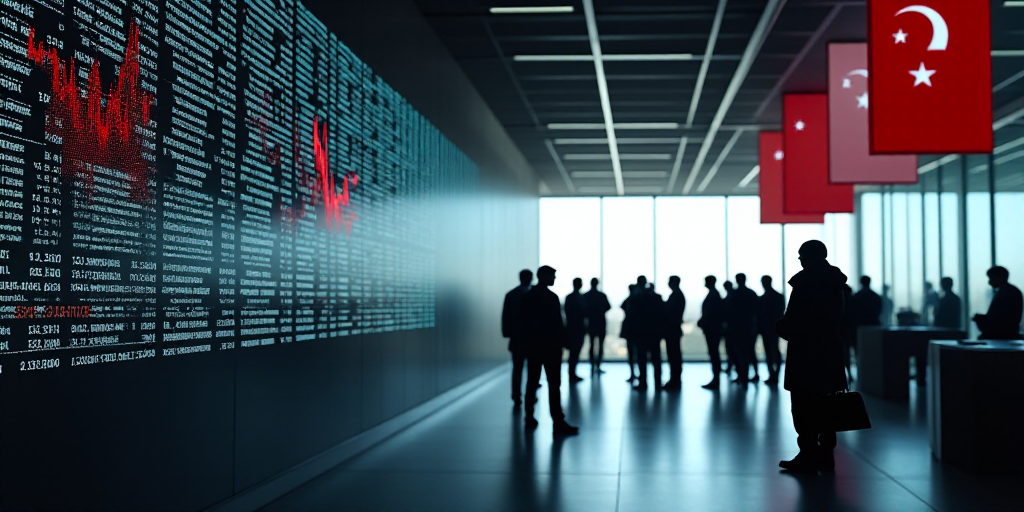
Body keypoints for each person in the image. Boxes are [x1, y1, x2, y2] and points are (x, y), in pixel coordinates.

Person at [776, 240, 848, 472]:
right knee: (827, 403)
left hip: (806, 353)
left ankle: (808, 454)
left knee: (803, 405)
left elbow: (795, 321)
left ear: (808, 256)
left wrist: (781, 327)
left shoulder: (805, 282)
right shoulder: (836, 282)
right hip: (830, 351)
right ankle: (826, 453)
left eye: (800, 255)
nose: (799, 259)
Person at [521, 266, 579, 435]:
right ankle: (558, 421)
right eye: (552, 276)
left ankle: (529, 416)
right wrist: (564, 341)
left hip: (534, 347)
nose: (554, 279)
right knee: (554, 384)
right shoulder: (551, 297)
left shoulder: (529, 297)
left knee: (532, 382)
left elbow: (524, 323)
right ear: (544, 277)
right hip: (551, 347)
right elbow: (557, 323)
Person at [502, 269, 532, 407]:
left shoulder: (510, 295)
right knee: (532, 369)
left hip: (516, 337)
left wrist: (507, 333)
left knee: (517, 368)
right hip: (531, 338)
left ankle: (516, 395)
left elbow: (505, 316)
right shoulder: (532, 294)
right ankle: (529, 396)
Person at [630, 277, 664, 391]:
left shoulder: (637, 298)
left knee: (642, 358)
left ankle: (643, 382)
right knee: (656, 358)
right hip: (654, 333)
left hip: (641, 333)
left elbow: (632, 315)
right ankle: (658, 382)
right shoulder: (657, 298)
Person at [972, 266, 1024, 340]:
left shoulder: (1006, 293)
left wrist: (983, 321)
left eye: (991, 278)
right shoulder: (1010, 291)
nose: (989, 282)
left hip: (1002, 337)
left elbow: (1001, 319)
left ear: (1000, 278)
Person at [730, 274, 760, 384]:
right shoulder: (751, 294)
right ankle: (752, 374)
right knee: (750, 352)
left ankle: (742, 375)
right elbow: (757, 311)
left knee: (739, 352)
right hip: (749, 327)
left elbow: (729, 311)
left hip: (737, 328)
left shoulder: (735, 294)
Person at [698, 276, 725, 389]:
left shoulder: (713, 296)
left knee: (713, 353)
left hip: (712, 329)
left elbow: (710, 312)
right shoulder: (715, 295)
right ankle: (716, 378)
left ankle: (716, 379)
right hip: (713, 328)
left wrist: (703, 321)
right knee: (714, 353)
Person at [758, 275, 785, 386]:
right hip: (775, 327)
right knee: (775, 350)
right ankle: (776, 374)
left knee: (769, 351)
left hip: (765, 328)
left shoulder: (762, 299)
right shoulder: (779, 296)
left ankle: (772, 374)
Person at [662, 276, 686, 390]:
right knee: (675, 354)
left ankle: (674, 379)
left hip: (672, 330)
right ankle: (675, 378)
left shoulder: (675, 296)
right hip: (674, 329)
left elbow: (668, 312)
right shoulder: (678, 295)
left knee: (673, 354)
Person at [584, 278, 611, 375]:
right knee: (600, 346)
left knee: (591, 345)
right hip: (600, 323)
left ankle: (592, 366)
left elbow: (583, 310)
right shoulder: (602, 296)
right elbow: (608, 307)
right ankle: (598, 366)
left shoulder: (586, 296)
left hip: (591, 323)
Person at [564, 278, 587, 383]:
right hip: (578, 328)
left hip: (572, 328)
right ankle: (572, 373)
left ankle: (571, 373)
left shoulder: (569, 297)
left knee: (573, 352)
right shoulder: (582, 298)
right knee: (575, 352)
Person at [840, 284, 857, 383]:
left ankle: (847, 374)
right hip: (851, 331)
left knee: (843, 355)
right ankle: (850, 374)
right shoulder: (853, 301)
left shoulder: (839, 302)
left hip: (842, 331)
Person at [621, 284, 638, 383]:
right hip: (637, 330)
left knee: (631, 352)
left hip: (629, 330)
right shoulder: (637, 300)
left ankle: (632, 373)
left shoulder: (628, 300)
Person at [722, 280, 736, 378]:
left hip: (731, 329)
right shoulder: (733, 297)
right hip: (732, 328)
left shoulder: (729, 298)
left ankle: (732, 366)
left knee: (731, 349)